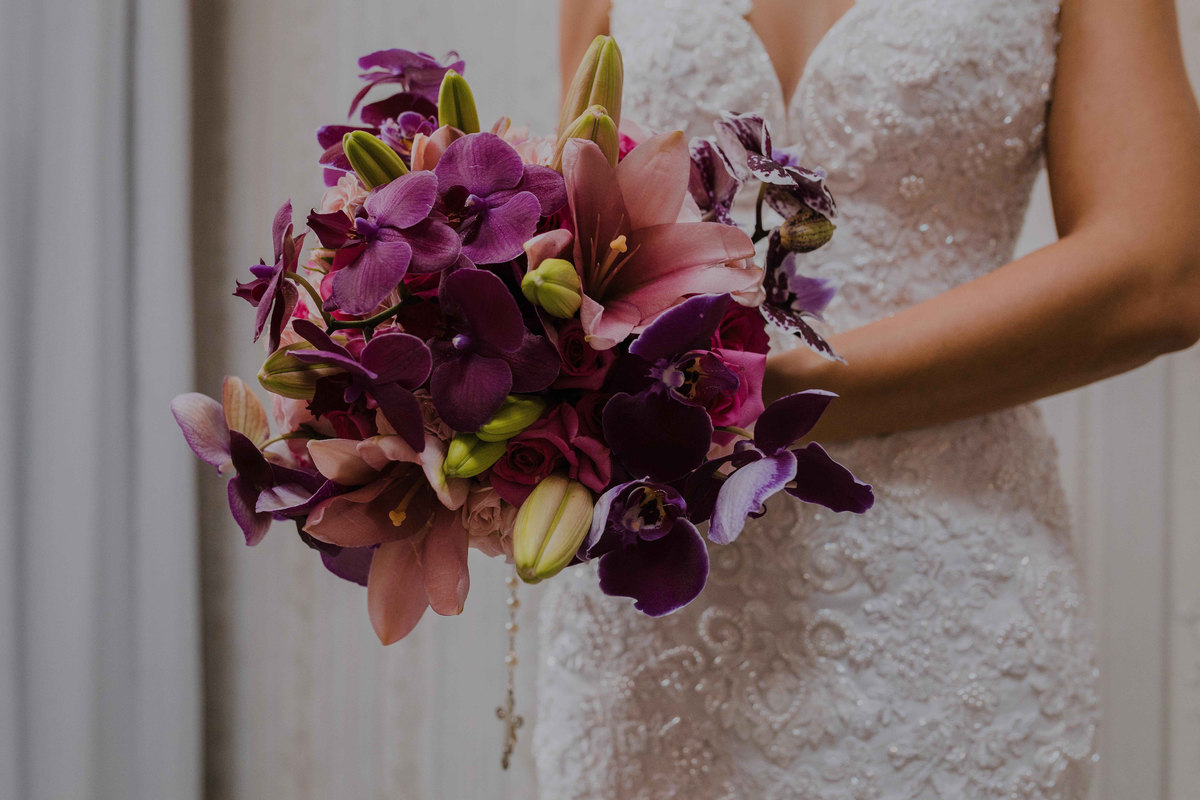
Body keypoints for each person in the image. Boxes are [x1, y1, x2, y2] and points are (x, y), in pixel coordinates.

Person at [533, 0, 1200, 798]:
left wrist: (758, 391)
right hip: (656, 601)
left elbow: (1160, 271)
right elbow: (574, 217)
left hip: (940, 608)